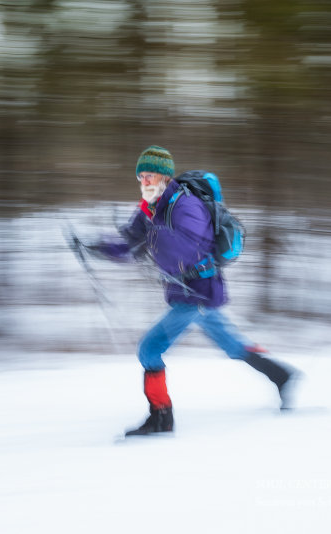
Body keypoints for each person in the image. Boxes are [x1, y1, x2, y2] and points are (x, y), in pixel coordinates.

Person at [87, 145, 298, 436]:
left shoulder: (187, 205)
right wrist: (98, 247)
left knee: (149, 349)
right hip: (183, 291)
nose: (145, 182)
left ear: (164, 176)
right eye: (141, 176)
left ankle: (161, 417)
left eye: (150, 176)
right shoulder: (149, 207)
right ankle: (283, 375)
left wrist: (151, 233)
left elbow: (188, 247)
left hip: (197, 291)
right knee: (233, 347)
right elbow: (131, 245)